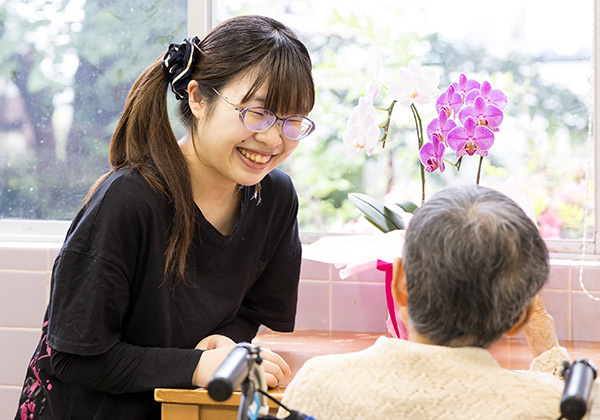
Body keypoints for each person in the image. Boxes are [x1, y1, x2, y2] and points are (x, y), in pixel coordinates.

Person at [15, 15, 315, 420]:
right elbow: (75, 358)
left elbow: (255, 310)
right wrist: (196, 367)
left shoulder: (275, 198)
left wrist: (224, 341)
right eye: (256, 112)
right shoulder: (128, 200)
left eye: (292, 120)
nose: (273, 138)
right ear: (196, 97)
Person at [278, 185, 599, 419]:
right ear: (521, 317)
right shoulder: (549, 405)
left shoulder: (317, 384)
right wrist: (547, 347)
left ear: (399, 283)